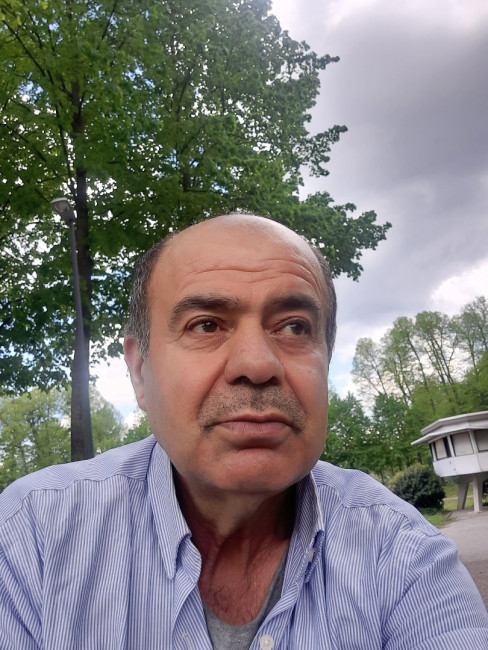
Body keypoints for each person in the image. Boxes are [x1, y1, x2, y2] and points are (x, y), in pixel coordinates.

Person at [0, 214, 487, 650]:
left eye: (294, 327)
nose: (257, 364)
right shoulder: (30, 539)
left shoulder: (404, 556)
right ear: (140, 371)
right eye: (206, 325)